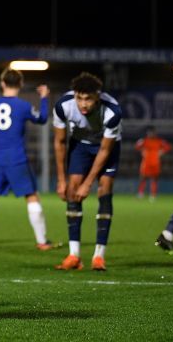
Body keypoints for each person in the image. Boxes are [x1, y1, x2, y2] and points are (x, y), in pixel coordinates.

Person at [0, 67, 55, 251]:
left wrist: (0, 136)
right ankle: (42, 242)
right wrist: (44, 97)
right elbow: (43, 118)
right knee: (32, 197)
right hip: (17, 159)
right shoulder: (23, 106)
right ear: (20, 84)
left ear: (2, 83)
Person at [53, 72, 122, 272]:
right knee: (72, 191)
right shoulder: (63, 106)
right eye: (79, 98)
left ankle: (99, 256)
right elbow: (59, 142)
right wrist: (61, 179)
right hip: (81, 145)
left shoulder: (112, 112)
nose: (83, 104)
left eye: (88, 99)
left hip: (105, 147)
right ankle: (74, 255)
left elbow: (105, 150)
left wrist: (88, 183)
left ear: (97, 97)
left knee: (104, 188)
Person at [135, 126, 172, 202]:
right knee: (143, 178)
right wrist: (142, 151)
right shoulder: (144, 141)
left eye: (152, 133)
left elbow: (168, 147)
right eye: (149, 133)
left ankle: (153, 195)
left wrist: (161, 152)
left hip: (155, 162)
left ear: (154, 133)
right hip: (146, 162)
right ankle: (141, 193)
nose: (150, 134)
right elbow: (137, 146)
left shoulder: (159, 141)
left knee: (154, 179)